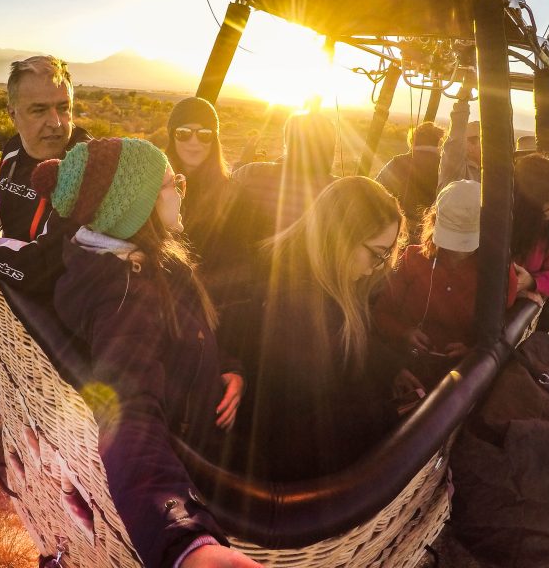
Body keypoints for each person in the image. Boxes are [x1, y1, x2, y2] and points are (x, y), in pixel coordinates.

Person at [29, 137, 258, 568]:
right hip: (190, 458)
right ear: (138, 206)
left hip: (200, 418)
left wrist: (228, 367)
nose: (182, 191)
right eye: (174, 184)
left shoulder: (144, 260)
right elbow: (127, 416)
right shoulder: (126, 297)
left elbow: (189, 330)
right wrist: (187, 543)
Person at [222, 176, 407, 481]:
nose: (380, 265)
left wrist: (392, 368)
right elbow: (309, 428)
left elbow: (347, 348)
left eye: (387, 254)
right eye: (377, 253)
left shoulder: (312, 279)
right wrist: (394, 414)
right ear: (340, 238)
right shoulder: (300, 309)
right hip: (284, 476)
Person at [0, 55, 91, 293]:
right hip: (12, 300)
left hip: (53, 314)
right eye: (39, 110)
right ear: (13, 114)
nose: (55, 122)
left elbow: (46, 270)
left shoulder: (87, 167)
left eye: (64, 108)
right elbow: (8, 189)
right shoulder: (13, 149)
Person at [372, 180, 523, 389]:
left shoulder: (498, 277)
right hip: (402, 368)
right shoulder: (412, 259)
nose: (458, 251)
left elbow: (502, 334)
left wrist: (473, 351)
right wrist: (404, 333)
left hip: (458, 384)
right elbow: (381, 314)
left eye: (466, 241)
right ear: (434, 223)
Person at [227, 110, 338, 245]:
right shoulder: (339, 191)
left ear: (288, 143)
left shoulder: (252, 172)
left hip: (247, 259)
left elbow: (224, 197)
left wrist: (243, 163)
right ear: (330, 148)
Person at [164, 97, 234, 270]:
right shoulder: (152, 188)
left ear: (214, 140)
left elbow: (238, 265)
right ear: (172, 136)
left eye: (204, 134)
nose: (194, 142)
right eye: (184, 133)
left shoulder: (234, 195)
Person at [512, 153, 549, 308]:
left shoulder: (547, 231)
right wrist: (513, 293)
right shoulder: (495, 226)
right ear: (537, 198)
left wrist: (532, 282)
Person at [376, 121, 445, 241]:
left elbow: (377, 189)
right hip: (432, 234)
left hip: (399, 230)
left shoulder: (397, 162)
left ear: (412, 140)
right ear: (438, 142)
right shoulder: (445, 167)